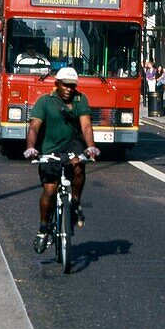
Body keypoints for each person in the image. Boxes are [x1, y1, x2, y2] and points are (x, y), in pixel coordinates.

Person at [22, 67, 100, 253]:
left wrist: (90, 146)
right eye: (65, 85)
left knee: (79, 167)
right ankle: (43, 229)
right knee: (49, 190)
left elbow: (86, 125)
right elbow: (34, 127)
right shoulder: (45, 102)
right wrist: (31, 147)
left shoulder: (81, 100)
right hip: (49, 148)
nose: (69, 89)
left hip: (72, 146)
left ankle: (74, 201)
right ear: (57, 84)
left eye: (72, 86)